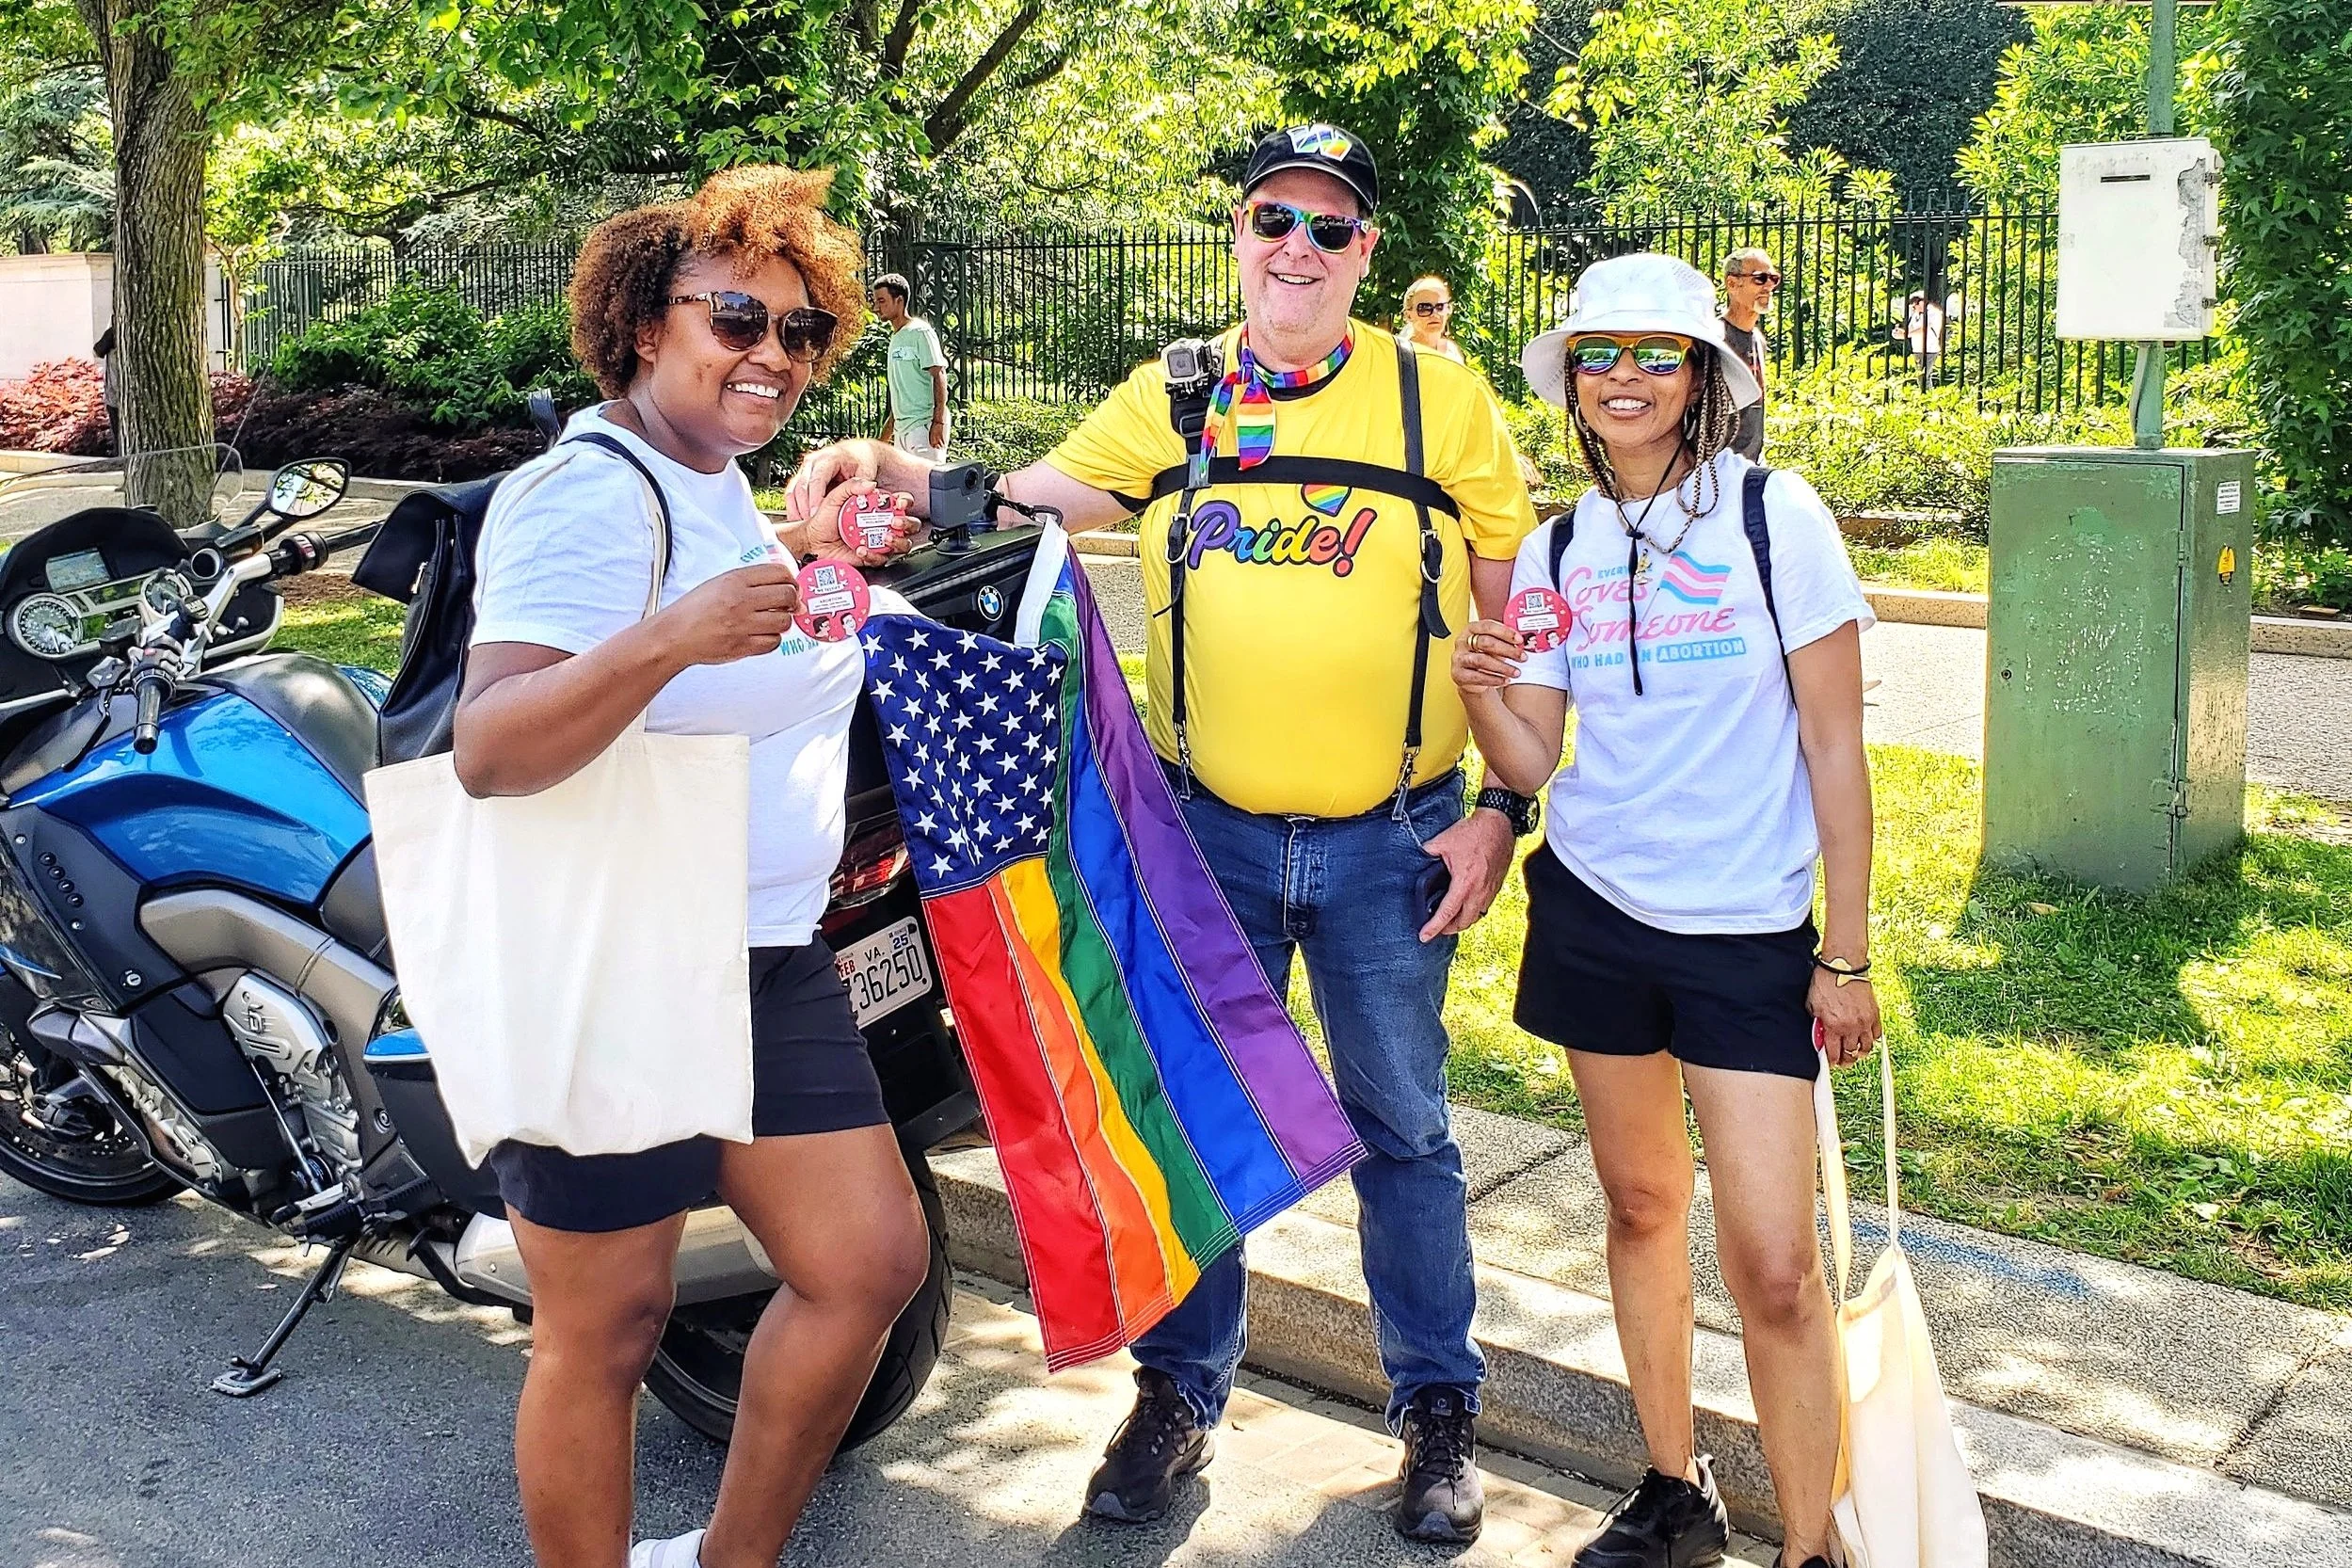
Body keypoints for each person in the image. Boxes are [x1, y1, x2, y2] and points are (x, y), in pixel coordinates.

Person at [786, 122, 1540, 1545]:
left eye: (1329, 228)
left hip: (1395, 841)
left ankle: (1436, 1406)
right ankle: (1178, 1396)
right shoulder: (1182, 398)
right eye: (1272, 220)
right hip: (1208, 839)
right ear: (1239, 238)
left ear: (1366, 252)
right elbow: (1016, 504)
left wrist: (1503, 811)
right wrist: (884, 457)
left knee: (1404, 1129)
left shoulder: (1439, 407)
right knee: (1185, 1114)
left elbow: (1509, 644)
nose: (1298, 250)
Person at [451, 166, 931, 1568]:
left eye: (797, 333)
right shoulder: (574, 498)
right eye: (735, 317)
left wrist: (805, 543)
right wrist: (673, 637)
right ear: (644, 326)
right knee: (606, 1330)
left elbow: (724, 629)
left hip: (765, 949)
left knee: (867, 1267)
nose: (768, 356)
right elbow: (490, 747)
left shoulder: (711, 487)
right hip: (615, 962)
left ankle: (731, 1556)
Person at [1452, 252, 1880, 1568]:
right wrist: (1479, 685)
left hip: (1747, 934)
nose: (1621, 376)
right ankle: (1670, 1488)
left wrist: (1844, 953)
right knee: (1639, 1207)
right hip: (1592, 911)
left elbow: (1834, 748)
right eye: (1597, 353)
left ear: (1700, 375)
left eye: (1652, 353)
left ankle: (1809, 1545)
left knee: (1772, 1266)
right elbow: (1532, 762)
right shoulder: (1557, 546)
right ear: (1571, 383)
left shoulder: (1773, 516)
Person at [873, 272, 950, 461]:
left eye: (882, 301)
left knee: (931, 486)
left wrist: (938, 422)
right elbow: (901, 393)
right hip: (902, 431)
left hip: (924, 427)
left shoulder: (920, 332)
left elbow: (939, 374)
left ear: (899, 300)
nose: (876, 307)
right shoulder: (896, 338)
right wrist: (884, 438)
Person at [1720, 248, 1776, 462]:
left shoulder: (1757, 339)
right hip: (1716, 467)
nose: (1769, 286)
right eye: (1760, 278)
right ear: (1732, 284)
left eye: (1773, 278)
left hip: (1750, 465)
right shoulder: (1715, 340)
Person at [1400, 275, 1467, 363]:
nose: (1435, 314)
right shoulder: (1399, 354)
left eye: (1440, 307)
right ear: (1408, 315)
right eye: (1425, 308)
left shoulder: (1451, 354)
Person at [1899, 289, 1944, 388]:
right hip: (1918, 349)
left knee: (1923, 376)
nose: (1913, 307)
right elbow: (1910, 329)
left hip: (1930, 349)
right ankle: (1926, 396)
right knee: (1922, 376)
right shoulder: (1916, 314)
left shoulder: (1934, 312)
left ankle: (1928, 397)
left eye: (1915, 304)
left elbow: (1924, 328)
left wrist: (1907, 334)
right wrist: (1901, 333)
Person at [93, 327, 120, 455]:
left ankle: (120, 456)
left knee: (118, 433)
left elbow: (97, 351)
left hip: (115, 395)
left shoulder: (113, 333)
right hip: (120, 394)